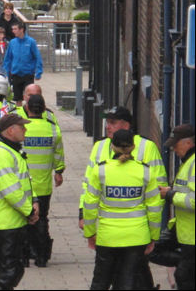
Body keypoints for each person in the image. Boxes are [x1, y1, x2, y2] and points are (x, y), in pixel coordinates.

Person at [79, 106, 167, 289]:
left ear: (126, 125)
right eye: (107, 122)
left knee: (105, 278)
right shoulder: (99, 146)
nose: (107, 126)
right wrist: (153, 235)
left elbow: (91, 197)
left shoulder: (148, 147)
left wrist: (89, 230)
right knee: (127, 279)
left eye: (113, 122)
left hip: (108, 233)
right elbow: (154, 203)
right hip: (137, 233)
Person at [0, 113, 38, 290]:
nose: (25, 130)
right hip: (6, 221)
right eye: (22, 127)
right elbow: (11, 190)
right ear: (11, 130)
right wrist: (29, 211)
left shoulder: (10, 149)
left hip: (13, 219)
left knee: (14, 269)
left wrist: (34, 199)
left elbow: (23, 181)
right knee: (9, 271)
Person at [21, 94, 64, 268]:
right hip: (44, 186)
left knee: (23, 220)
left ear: (27, 109)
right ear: (44, 109)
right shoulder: (53, 129)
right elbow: (58, 154)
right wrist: (59, 171)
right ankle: (42, 256)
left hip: (24, 185)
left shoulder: (21, 129)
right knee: (42, 219)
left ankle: (24, 258)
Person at [160, 123, 195, 291]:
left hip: (192, 236)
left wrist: (170, 195)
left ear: (189, 143)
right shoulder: (188, 161)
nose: (173, 148)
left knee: (184, 277)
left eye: (176, 143)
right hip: (185, 232)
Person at [3, 23, 43, 108]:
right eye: (12, 29)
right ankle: (19, 114)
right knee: (17, 98)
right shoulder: (12, 42)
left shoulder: (31, 42)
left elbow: (37, 57)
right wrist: (5, 73)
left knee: (29, 96)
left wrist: (38, 72)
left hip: (28, 74)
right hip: (16, 74)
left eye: (15, 29)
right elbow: (8, 59)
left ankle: (30, 113)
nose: (13, 31)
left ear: (21, 30)